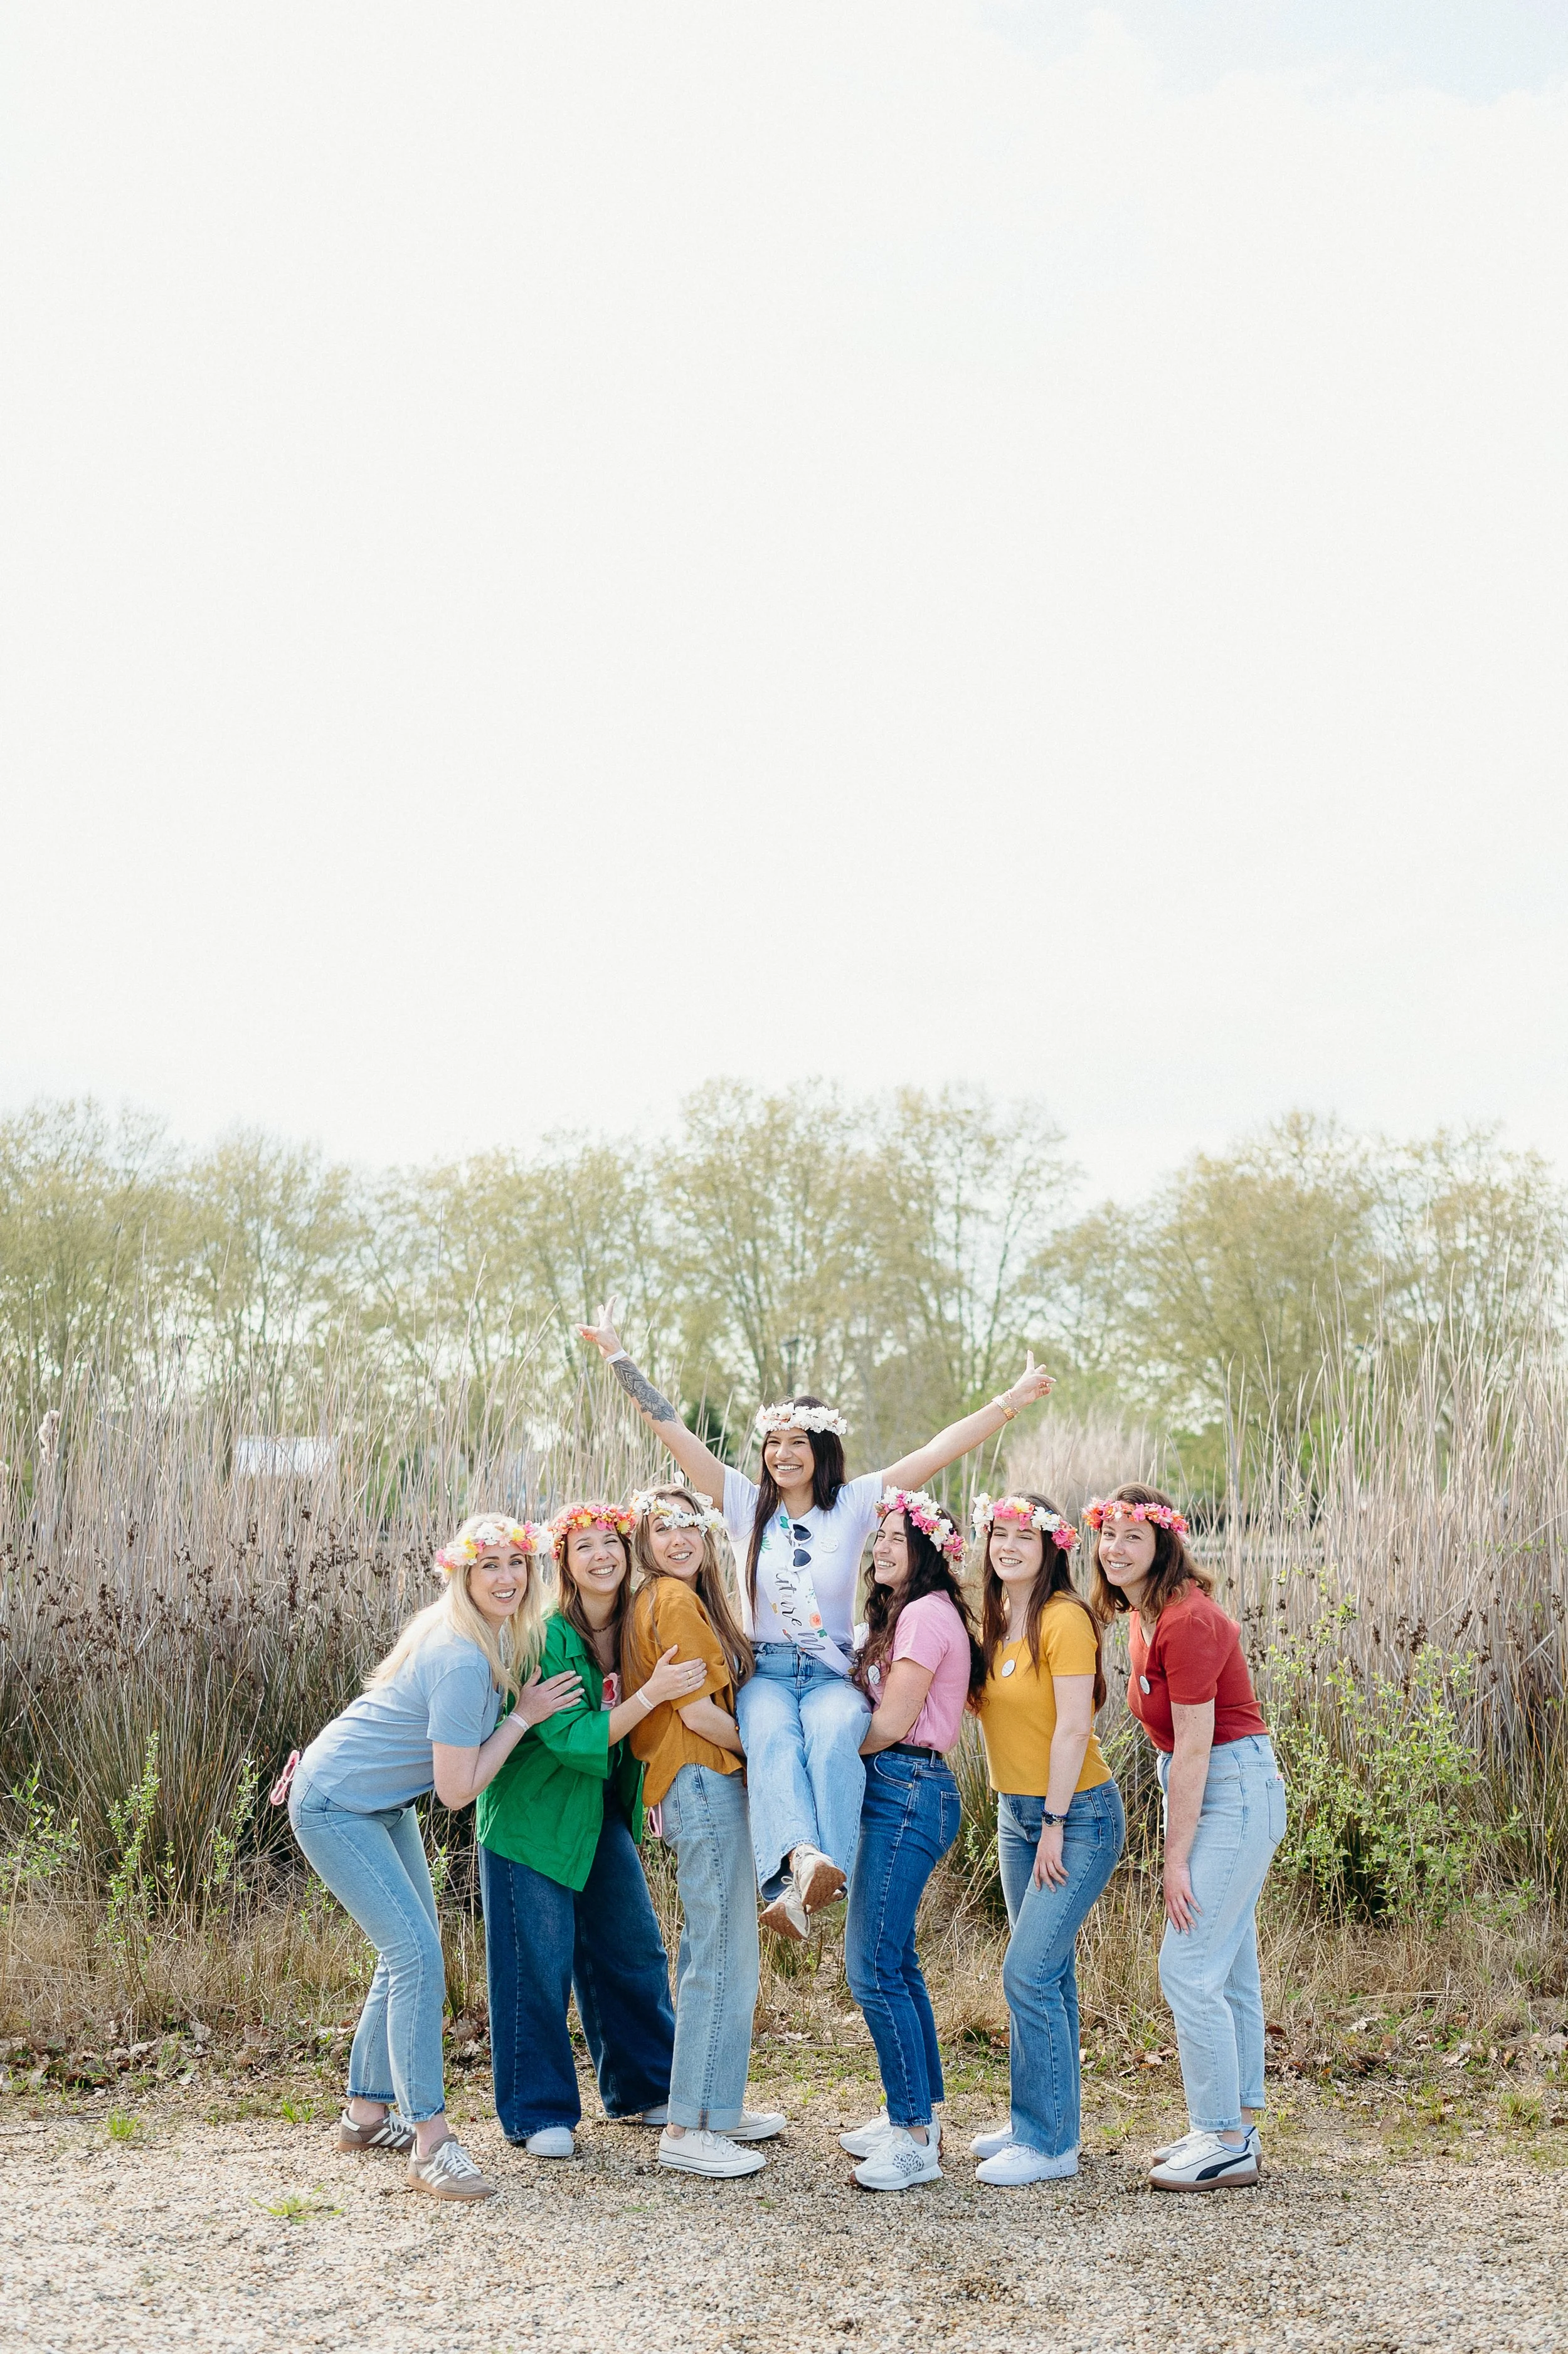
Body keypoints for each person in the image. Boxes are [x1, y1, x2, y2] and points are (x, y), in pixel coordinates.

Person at [578, 1299, 1054, 1936]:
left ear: (820, 1447)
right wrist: (617, 1355)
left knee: (834, 1740)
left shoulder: (856, 1505)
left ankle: (821, 1877)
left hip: (831, 1671)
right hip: (768, 1671)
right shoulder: (744, 1503)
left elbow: (938, 1450)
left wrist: (1011, 1401)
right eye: (772, 1443)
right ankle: (794, 1871)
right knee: (770, 1740)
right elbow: (671, 1429)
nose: (782, 1454)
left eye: (796, 1442)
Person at [285, 1514, 582, 2201]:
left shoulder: (499, 1635)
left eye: (516, 1563)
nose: (507, 1578)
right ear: (463, 1576)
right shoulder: (460, 1657)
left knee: (411, 1950)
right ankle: (431, 2143)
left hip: (376, 1801)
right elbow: (456, 1792)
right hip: (333, 1802)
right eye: (490, 1567)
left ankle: (365, 2115)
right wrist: (521, 1718)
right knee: (416, 1955)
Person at [475, 1502, 707, 2159]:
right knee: (536, 1963)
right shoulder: (546, 1636)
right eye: (586, 1547)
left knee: (632, 1948)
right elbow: (575, 1738)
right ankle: (537, 2110)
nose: (602, 1555)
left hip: (598, 1811)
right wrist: (651, 1695)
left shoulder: (639, 1625)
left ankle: (645, 2085)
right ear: (564, 1562)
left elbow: (638, 1738)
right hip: (534, 1817)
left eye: (612, 1542)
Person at [1089, 1483, 1287, 2192]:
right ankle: (1233, 2121)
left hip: (1233, 1789)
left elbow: (1197, 1750)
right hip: (1213, 1784)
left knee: (1187, 1965)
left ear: (1162, 1545)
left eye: (1132, 1537)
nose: (1115, 1549)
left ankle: (1223, 2139)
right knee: (1227, 1968)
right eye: (1107, 1535)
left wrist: (1174, 1862)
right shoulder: (1143, 1617)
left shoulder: (1188, 1620)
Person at [623, 1484, 787, 2178]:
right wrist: (780, 1757)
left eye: (690, 1525)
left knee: (729, 1948)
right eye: (663, 1529)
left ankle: (718, 2108)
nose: (679, 1539)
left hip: (703, 1780)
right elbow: (700, 1718)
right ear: (646, 1543)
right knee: (716, 1952)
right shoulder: (670, 1600)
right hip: (701, 1776)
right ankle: (687, 2126)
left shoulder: (685, 1600)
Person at [967, 1493, 1125, 2185]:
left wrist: (1055, 1823)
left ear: (1051, 1547)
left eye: (1023, 1537)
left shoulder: (1064, 1619)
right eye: (998, 1534)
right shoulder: (998, 1620)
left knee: (1026, 1972)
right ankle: (1040, 2117)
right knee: (1048, 1973)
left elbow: (1071, 1728)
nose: (1008, 1546)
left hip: (1076, 1815)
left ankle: (1050, 2144)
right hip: (1015, 1814)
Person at [837, 1490, 983, 2192]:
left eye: (896, 1537)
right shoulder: (906, 1613)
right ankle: (919, 2109)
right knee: (896, 1961)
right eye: (879, 1539)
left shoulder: (926, 1615)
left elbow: (892, 1722)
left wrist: (825, 1764)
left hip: (906, 1786)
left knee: (870, 1968)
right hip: (902, 1786)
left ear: (926, 1547)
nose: (881, 1548)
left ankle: (914, 2137)